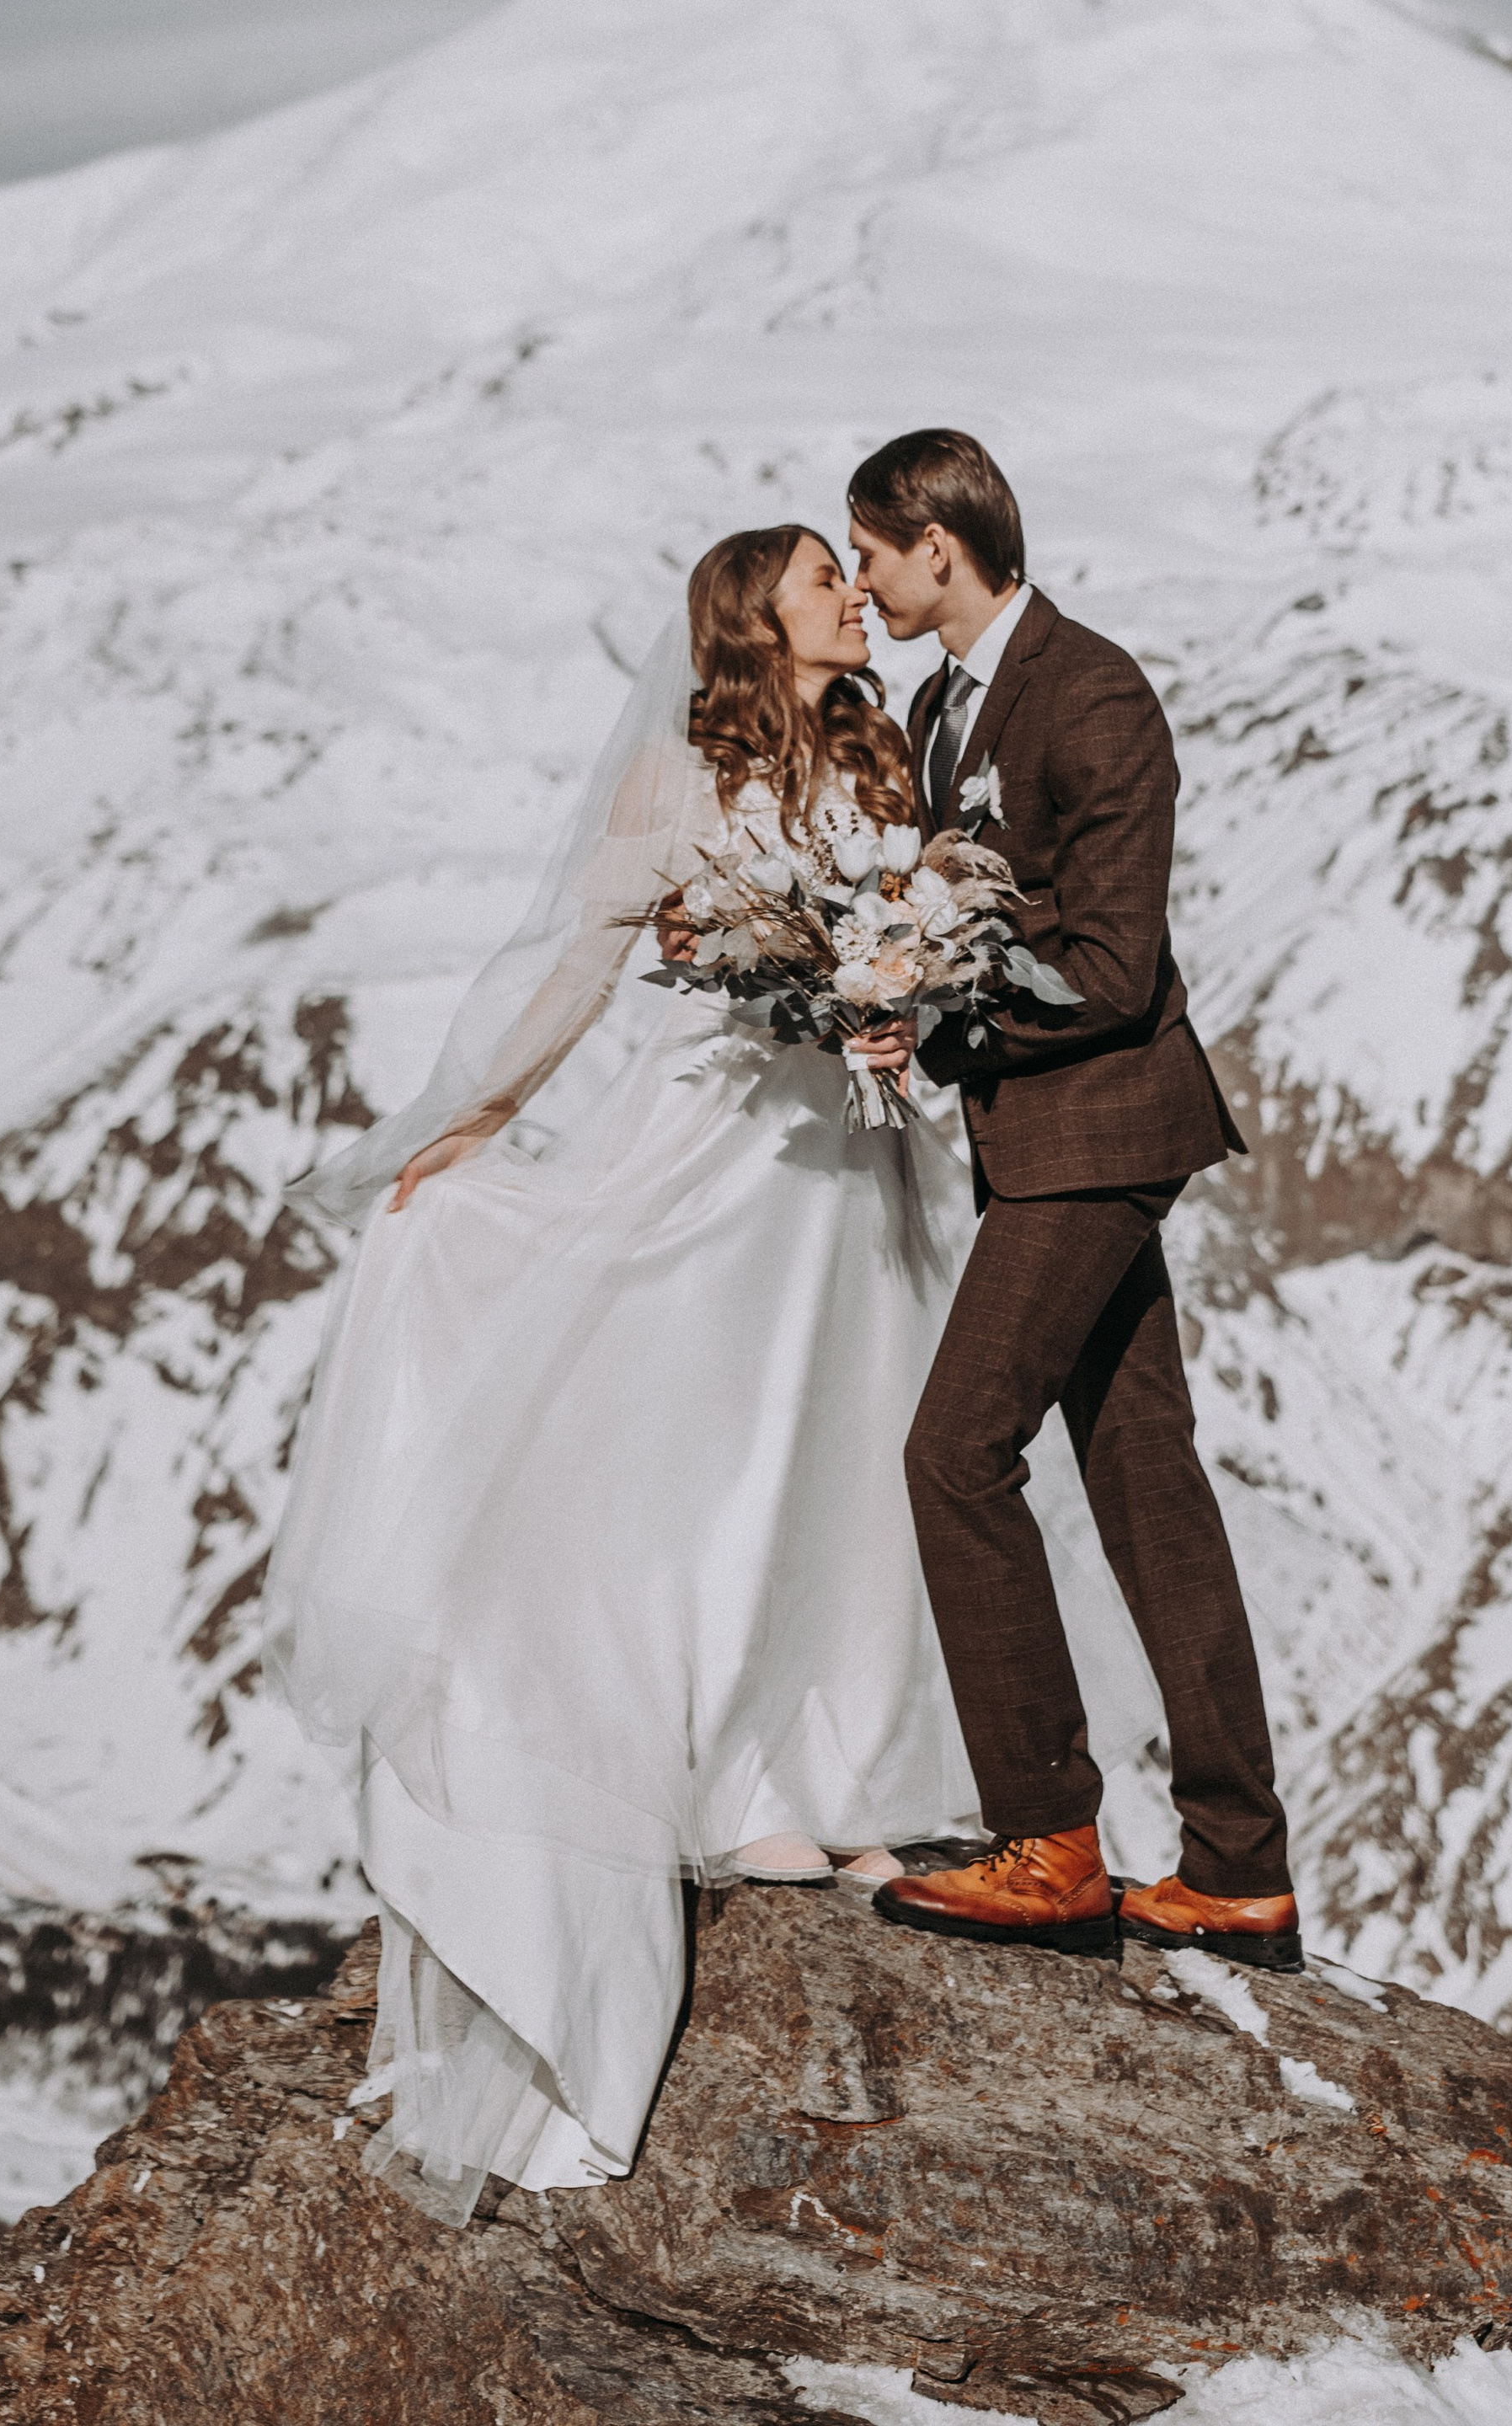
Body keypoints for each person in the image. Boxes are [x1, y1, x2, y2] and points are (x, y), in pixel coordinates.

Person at [263, 523, 1162, 2224]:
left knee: (856, 1452)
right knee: (714, 1438)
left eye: (851, 568)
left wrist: (896, 996)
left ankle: (835, 1770)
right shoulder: (691, 758)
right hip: (719, 1150)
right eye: (818, 573)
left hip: (856, 1160)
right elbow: (586, 954)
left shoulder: (879, 748)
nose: (846, 588)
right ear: (752, 615)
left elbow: (911, 935)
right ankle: (740, 1776)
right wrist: (480, 1115)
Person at [844, 430, 1301, 1974]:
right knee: (1145, 1485)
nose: (864, 582)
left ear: (938, 542)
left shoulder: (1093, 693)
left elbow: (1109, 966)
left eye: (872, 553)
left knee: (954, 1451)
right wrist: (908, 1003)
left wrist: (947, 984)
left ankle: (1048, 1839)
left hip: (1101, 1134)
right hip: (1039, 1136)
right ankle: (1239, 1871)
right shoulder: (936, 709)